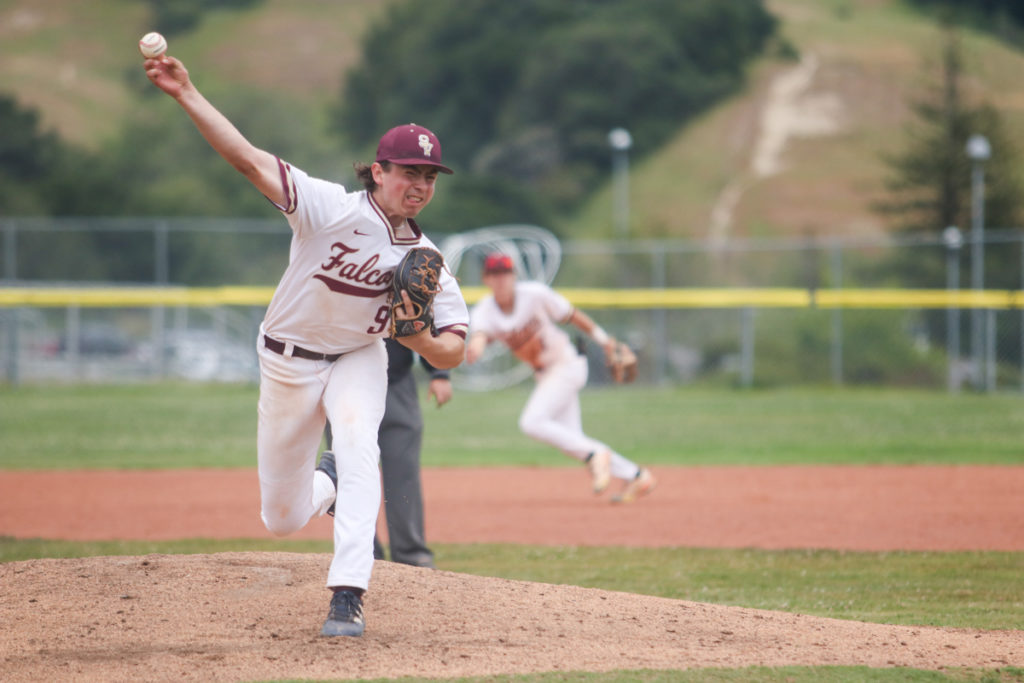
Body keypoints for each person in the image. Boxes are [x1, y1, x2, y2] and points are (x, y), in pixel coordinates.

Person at [143, 53, 468, 638]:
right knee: (282, 518)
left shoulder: (430, 261)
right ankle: (331, 483)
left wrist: (414, 334)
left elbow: (453, 352)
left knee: (359, 441)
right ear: (376, 170)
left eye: (428, 177)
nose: (418, 185)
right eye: (407, 172)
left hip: (357, 358)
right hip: (285, 361)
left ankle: (348, 594)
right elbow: (245, 159)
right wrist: (186, 92)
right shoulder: (327, 208)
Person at [465, 253, 655, 503]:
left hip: (567, 364)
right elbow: (480, 333)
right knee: (574, 440)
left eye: (505, 273)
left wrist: (606, 341)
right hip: (546, 374)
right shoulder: (485, 311)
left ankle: (598, 454)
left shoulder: (534, 294)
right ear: (486, 279)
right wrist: (475, 347)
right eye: (495, 274)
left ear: (514, 276)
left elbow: (573, 316)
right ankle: (637, 475)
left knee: (532, 422)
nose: (501, 279)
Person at [324, 338, 449, 569]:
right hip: (342, 388)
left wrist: (439, 372)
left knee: (403, 473)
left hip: (396, 381)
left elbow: (417, 321)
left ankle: (412, 556)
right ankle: (363, 556)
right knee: (350, 473)